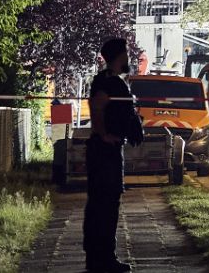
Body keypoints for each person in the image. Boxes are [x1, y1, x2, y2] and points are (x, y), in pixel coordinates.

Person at [85, 37, 144, 273]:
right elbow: (97, 107)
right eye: (126, 53)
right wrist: (103, 134)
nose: (128, 57)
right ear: (119, 56)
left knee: (105, 205)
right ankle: (103, 260)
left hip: (107, 149)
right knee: (105, 206)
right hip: (105, 151)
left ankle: (100, 259)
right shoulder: (107, 82)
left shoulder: (111, 80)